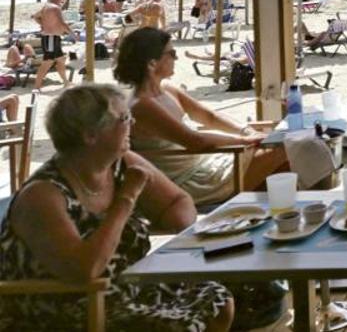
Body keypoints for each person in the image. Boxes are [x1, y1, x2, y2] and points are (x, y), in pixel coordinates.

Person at [0, 84, 234, 330]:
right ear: (90, 135)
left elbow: (178, 202)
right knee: (176, 325)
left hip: (125, 287)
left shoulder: (120, 164)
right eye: (123, 117)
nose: (132, 123)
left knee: (217, 297)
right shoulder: (43, 194)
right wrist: (126, 199)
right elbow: (84, 270)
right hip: (62, 307)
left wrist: (179, 237)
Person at [115, 27, 286, 205]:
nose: (176, 58)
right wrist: (244, 141)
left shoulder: (167, 89)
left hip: (210, 161)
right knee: (284, 149)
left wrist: (246, 130)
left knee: (286, 158)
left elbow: (209, 117)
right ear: (151, 63)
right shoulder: (142, 105)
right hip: (192, 180)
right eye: (171, 53)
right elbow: (195, 141)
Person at [32, 0, 72, 91]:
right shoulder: (52, 7)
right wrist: (73, 35)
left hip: (54, 37)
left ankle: (66, 82)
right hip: (50, 38)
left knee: (60, 60)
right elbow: (62, 24)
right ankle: (37, 87)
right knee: (47, 62)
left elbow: (35, 16)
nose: (63, 0)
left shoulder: (49, 7)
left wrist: (43, 24)